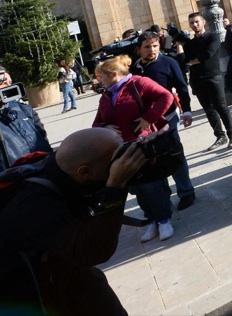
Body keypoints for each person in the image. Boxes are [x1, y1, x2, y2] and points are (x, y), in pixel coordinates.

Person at [0, 126, 150, 315]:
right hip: (38, 297)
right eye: (116, 160)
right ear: (85, 172)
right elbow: (93, 251)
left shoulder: (61, 169)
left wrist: (154, 148)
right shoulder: (35, 206)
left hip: (71, 276)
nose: (121, 162)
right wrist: (116, 186)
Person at [91, 54, 177, 243]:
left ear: (113, 74)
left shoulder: (139, 83)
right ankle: (152, 220)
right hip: (122, 150)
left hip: (145, 145)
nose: (99, 80)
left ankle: (164, 219)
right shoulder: (106, 95)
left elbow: (166, 96)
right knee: (136, 188)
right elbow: (96, 123)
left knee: (152, 185)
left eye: (101, 77)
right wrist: (105, 127)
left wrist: (149, 118)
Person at [132, 29, 197, 211]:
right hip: (145, 123)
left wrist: (187, 111)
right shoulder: (134, 69)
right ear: (139, 49)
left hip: (167, 117)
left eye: (155, 46)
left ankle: (186, 192)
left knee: (174, 154)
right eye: (147, 47)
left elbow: (182, 88)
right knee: (154, 160)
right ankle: (163, 199)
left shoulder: (168, 62)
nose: (152, 50)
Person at [182, 11, 232, 151]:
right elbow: (185, 60)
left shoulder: (212, 36)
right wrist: (194, 60)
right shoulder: (190, 43)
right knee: (209, 109)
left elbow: (208, 55)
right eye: (191, 23)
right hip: (197, 79)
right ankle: (220, 136)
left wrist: (194, 60)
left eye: (196, 22)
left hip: (213, 76)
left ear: (203, 22)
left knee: (221, 106)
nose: (194, 25)